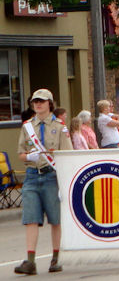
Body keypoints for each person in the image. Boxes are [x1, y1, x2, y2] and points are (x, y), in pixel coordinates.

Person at [15, 89, 73, 275]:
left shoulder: (60, 126)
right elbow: (21, 154)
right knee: (31, 219)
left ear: (50, 103)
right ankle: (30, 260)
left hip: (51, 175)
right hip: (32, 175)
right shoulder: (27, 127)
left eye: (41, 101)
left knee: (55, 219)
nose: (38, 104)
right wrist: (28, 157)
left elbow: (67, 154)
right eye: (35, 102)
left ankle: (56, 258)